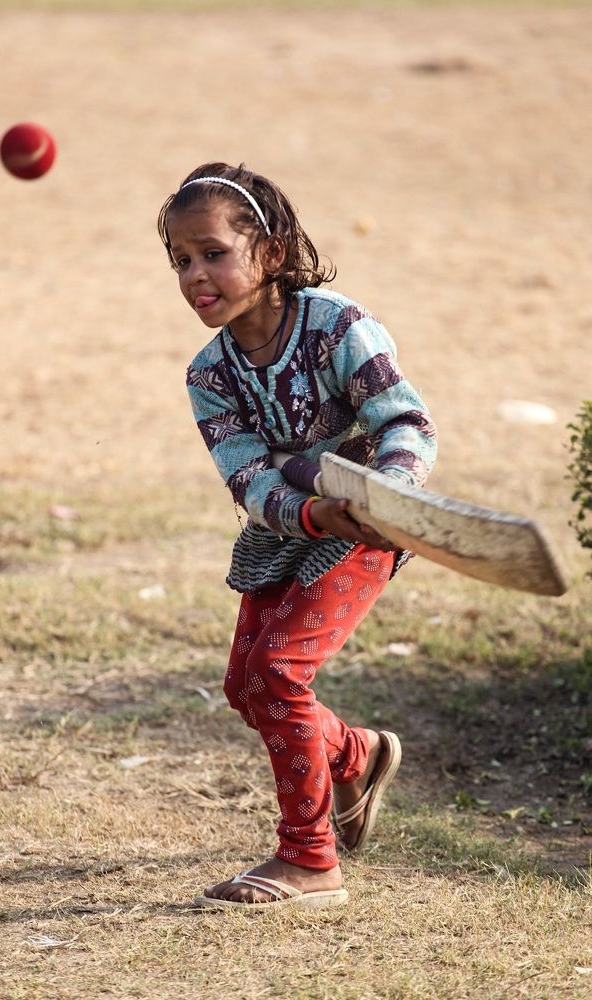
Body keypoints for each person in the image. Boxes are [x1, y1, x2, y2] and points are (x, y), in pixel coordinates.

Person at [157, 163, 437, 910]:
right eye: (180, 259)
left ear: (271, 252)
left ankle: (310, 860)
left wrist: (393, 496)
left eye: (213, 252)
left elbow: (405, 423)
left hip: (366, 529)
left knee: (279, 671)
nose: (194, 274)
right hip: (288, 532)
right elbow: (248, 480)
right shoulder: (208, 373)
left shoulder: (338, 327)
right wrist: (311, 514)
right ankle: (357, 755)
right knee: (246, 686)